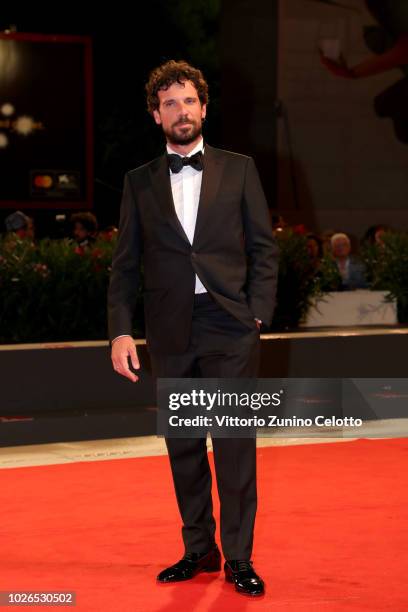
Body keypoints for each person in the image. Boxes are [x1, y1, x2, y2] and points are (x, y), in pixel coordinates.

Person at [107, 59, 278, 597]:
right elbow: (125, 266)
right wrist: (119, 332)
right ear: (156, 116)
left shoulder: (240, 168)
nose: (181, 111)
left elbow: (264, 248)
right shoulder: (138, 183)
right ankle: (199, 550)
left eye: (189, 101)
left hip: (229, 327)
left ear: (204, 108)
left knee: (232, 445)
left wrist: (257, 313)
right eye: (169, 103)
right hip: (171, 329)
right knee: (183, 446)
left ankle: (240, 558)